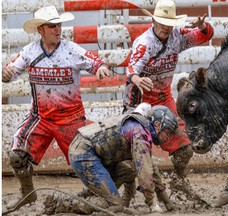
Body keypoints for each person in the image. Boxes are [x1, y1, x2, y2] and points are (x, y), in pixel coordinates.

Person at [2, 6, 111, 210]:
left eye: (59, 25)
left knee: (88, 158)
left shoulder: (71, 49)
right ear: (41, 30)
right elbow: (10, 72)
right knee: (17, 155)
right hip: (40, 117)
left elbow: (96, 62)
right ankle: (27, 194)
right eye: (52, 26)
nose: (57, 30)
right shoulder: (30, 51)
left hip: (71, 118)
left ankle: (102, 192)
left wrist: (102, 68)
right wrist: (6, 74)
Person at [123, 0, 214, 181]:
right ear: (154, 21)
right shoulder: (145, 43)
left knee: (185, 148)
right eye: (162, 22)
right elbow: (131, 69)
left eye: (169, 23)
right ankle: (130, 187)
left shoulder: (177, 37)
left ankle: (178, 179)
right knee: (132, 150)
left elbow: (204, 36)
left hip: (164, 99)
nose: (165, 27)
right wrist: (138, 79)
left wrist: (203, 26)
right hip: (139, 101)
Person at [62, 104, 178, 213]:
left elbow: (149, 166)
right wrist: (152, 204)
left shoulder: (140, 127)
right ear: (157, 125)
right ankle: (61, 204)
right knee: (113, 204)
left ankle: (91, 196)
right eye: (167, 131)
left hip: (89, 151)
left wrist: (167, 201)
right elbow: (145, 173)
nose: (167, 137)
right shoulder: (140, 134)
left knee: (130, 169)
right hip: (84, 154)